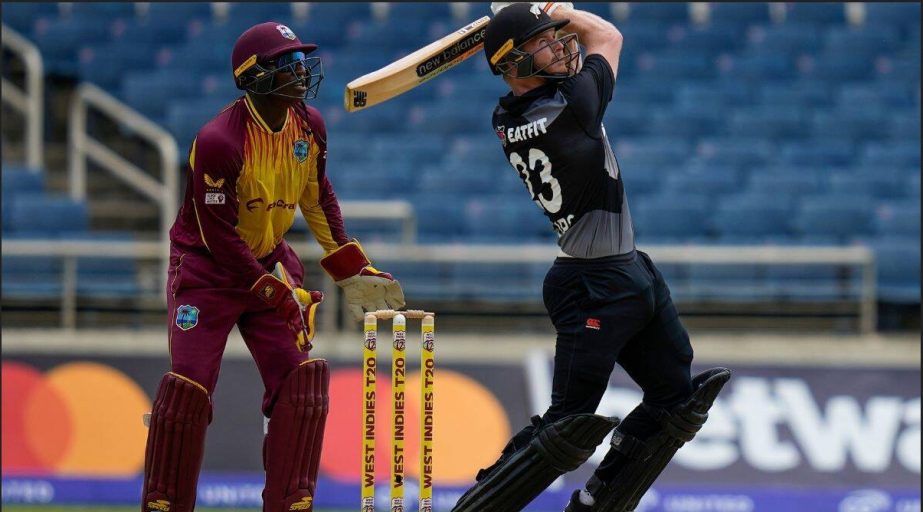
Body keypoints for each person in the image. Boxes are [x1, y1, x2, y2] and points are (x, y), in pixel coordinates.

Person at [452, 4, 731, 512]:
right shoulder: (571, 108)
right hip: (591, 283)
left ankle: (600, 505)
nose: (560, 44)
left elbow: (560, 57)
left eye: (556, 36)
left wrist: (535, 21)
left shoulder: (511, 113)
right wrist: (564, 9)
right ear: (513, 66)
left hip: (624, 268)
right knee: (568, 427)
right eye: (544, 41)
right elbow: (609, 35)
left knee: (677, 402)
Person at [139, 21, 405, 512]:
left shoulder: (308, 126)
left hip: (268, 261)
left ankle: (290, 503)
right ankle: (164, 502)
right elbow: (218, 236)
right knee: (189, 391)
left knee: (299, 385)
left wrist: (351, 268)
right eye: (287, 64)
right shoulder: (220, 140)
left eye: (302, 62)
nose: (301, 73)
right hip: (205, 272)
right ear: (253, 76)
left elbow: (318, 198)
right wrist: (273, 292)